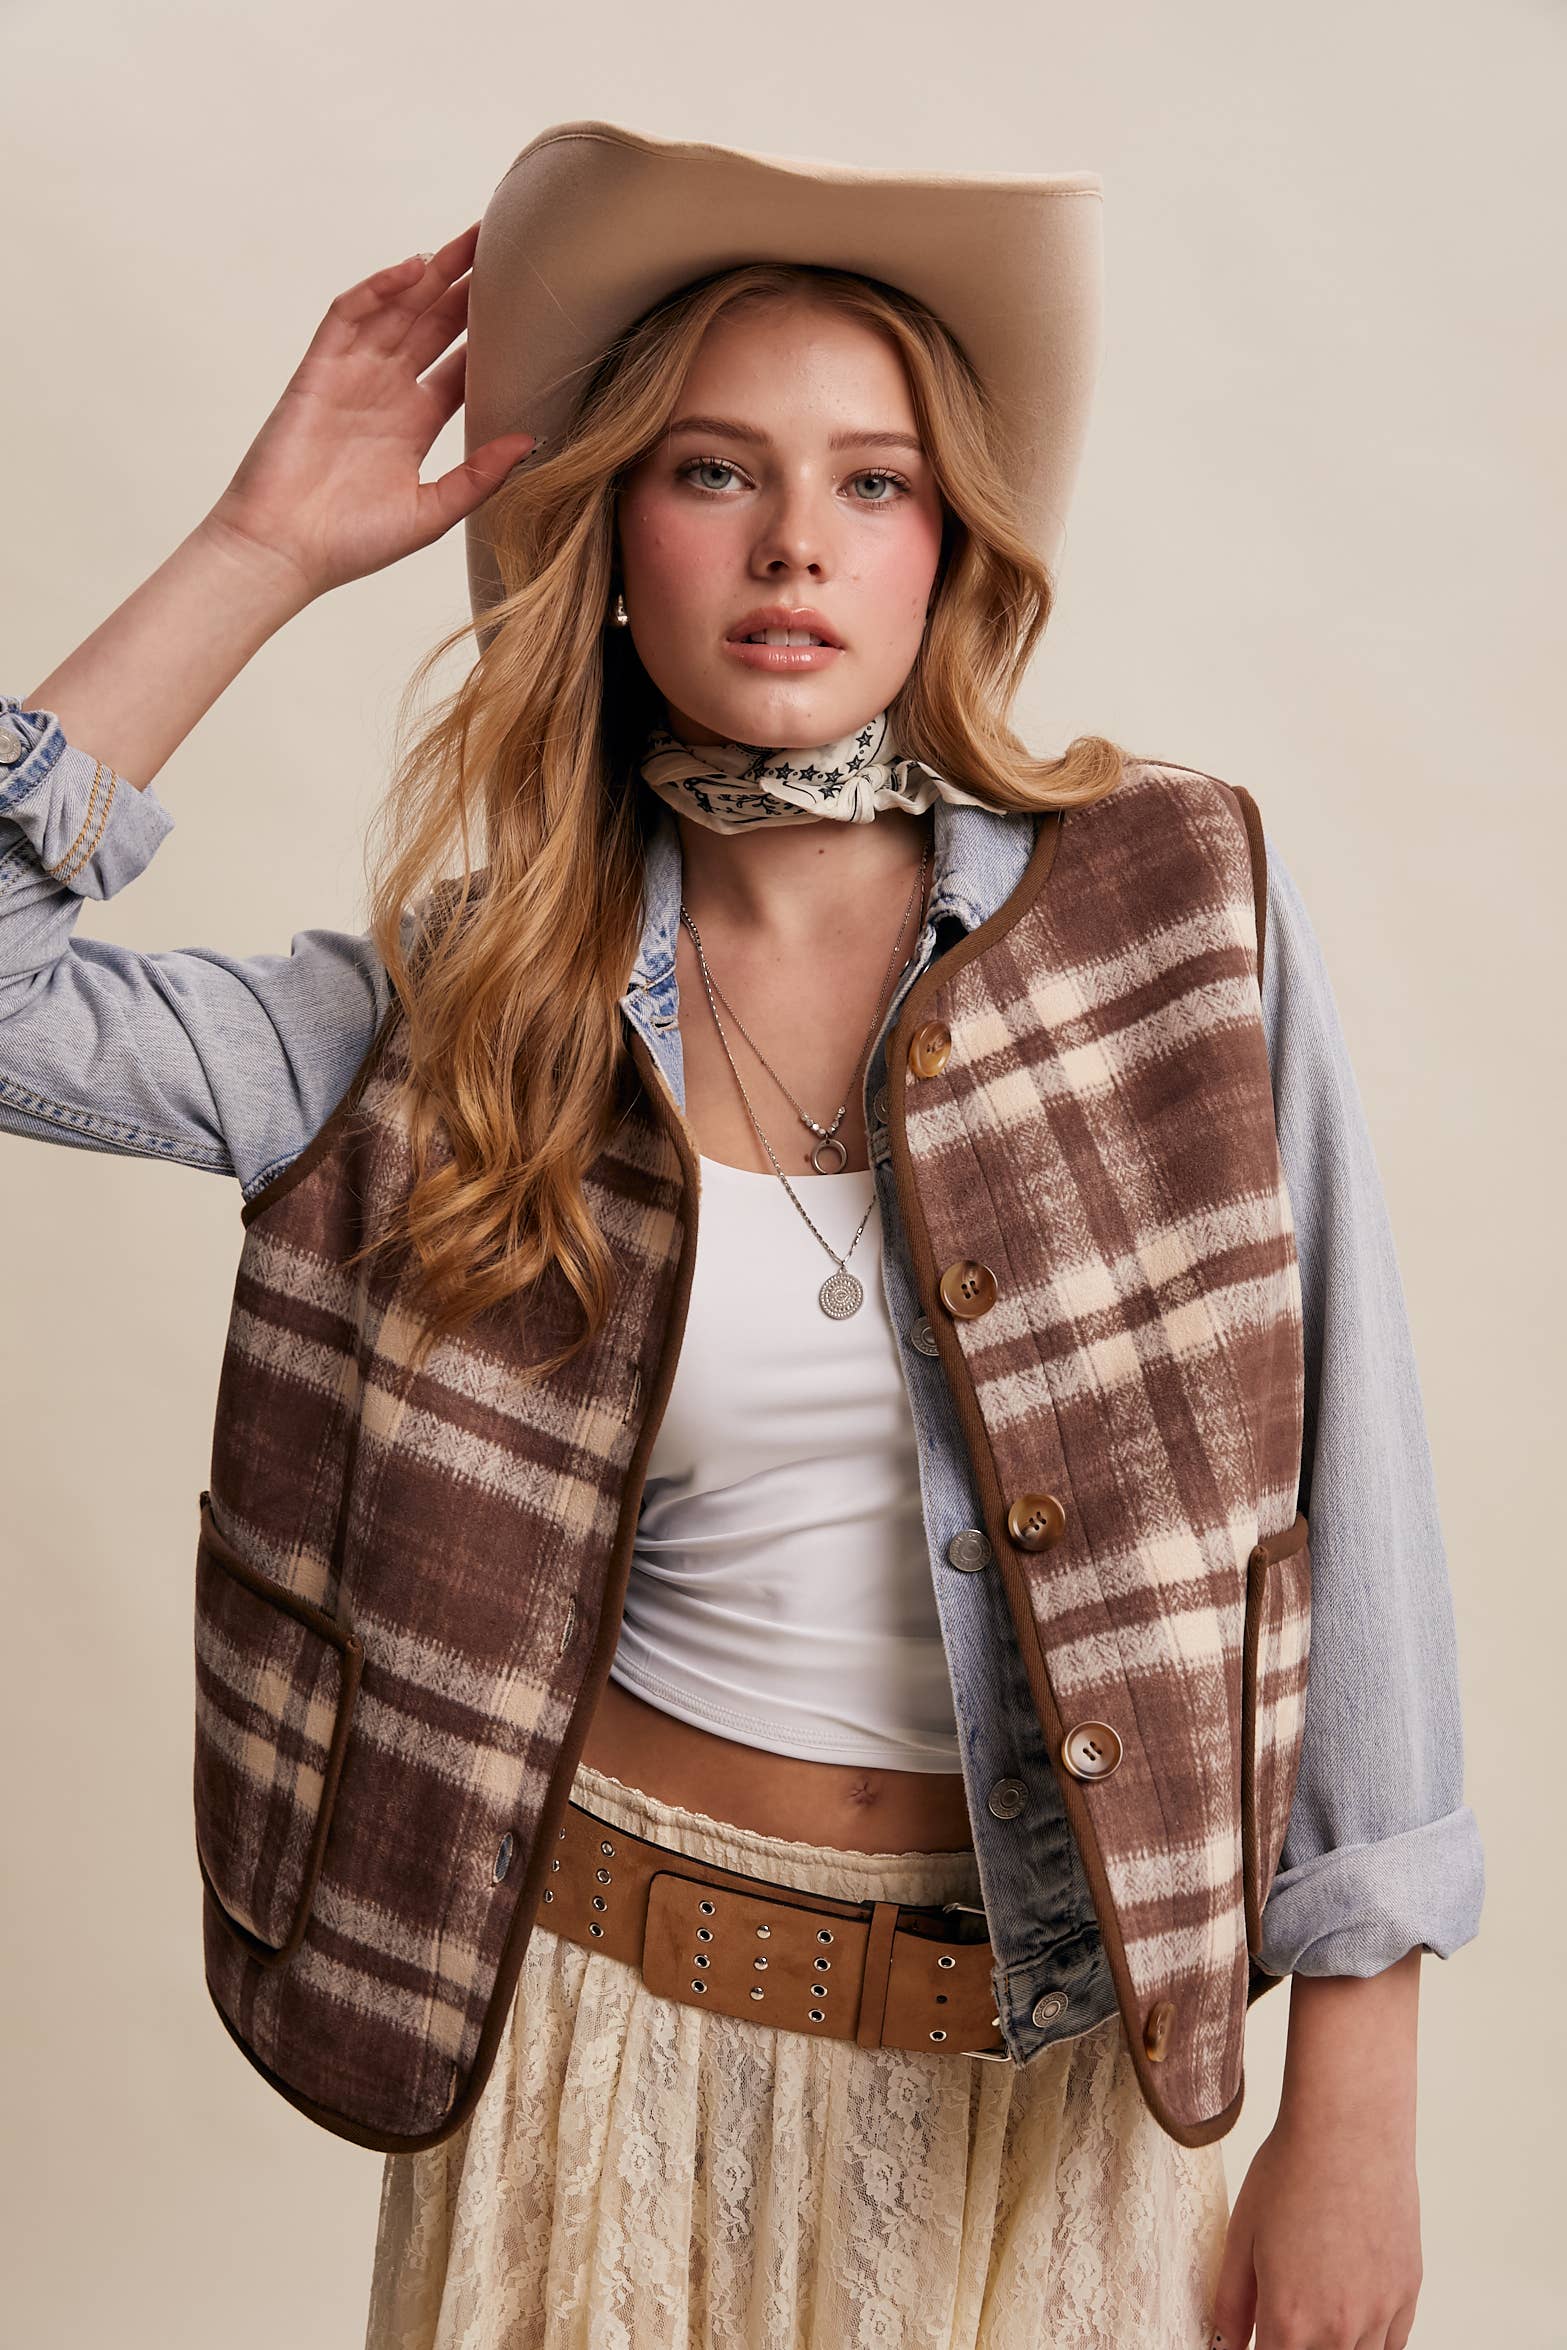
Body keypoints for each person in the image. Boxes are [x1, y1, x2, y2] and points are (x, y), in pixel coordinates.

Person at [0, 122, 1482, 2350]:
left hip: (1029, 2094)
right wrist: (256, 545)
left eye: (872, 481)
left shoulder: (1176, 921)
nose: (796, 541)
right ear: (603, 538)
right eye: (713, 471)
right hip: (589, 2056)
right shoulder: (451, 1017)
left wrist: (1351, 2106)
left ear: (944, 548)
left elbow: (1342, 1496)